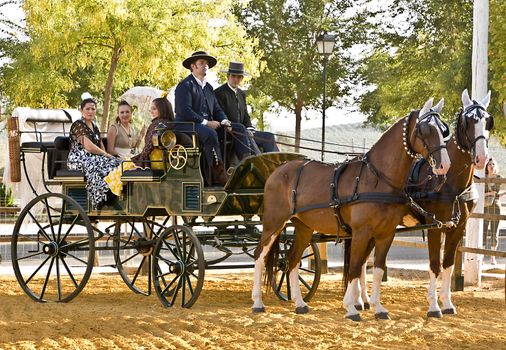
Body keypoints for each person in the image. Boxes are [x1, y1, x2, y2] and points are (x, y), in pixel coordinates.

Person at [174, 51, 252, 186]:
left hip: (204, 125)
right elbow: (184, 111)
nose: (205, 66)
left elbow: (216, 109)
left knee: (239, 128)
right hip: (187, 125)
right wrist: (206, 122)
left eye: (207, 63)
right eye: (201, 63)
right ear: (193, 66)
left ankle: (248, 165)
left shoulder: (209, 87)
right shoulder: (185, 86)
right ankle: (218, 175)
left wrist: (224, 121)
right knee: (210, 134)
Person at [67, 93, 121, 209]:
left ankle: (112, 194)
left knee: (116, 163)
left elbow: (100, 143)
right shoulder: (78, 125)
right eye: (87, 109)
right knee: (99, 164)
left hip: (93, 156)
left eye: (93, 109)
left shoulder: (94, 125)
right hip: (79, 158)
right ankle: (99, 197)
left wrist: (106, 155)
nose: (90, 111)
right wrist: (104, 154)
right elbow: (89, 147)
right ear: (81, 110)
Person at [215, 61, 279, 154]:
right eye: (233, 76)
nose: (236, 79)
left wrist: (249, 127)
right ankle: (255, 159)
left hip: (244, 130)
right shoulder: (219, 92)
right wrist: (239, 128)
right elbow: (219, 113)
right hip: (228, 130)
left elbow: (245, 115)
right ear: (228, 76)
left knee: (269, 137)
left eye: (239, 77)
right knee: (243, 130)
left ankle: (277, 163)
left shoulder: (241, 94)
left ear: (242, 78)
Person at [131, 97, 174, 168]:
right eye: (151, 109)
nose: (151, 111)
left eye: (154, 109)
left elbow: (151, 142)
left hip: (156, 160)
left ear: (162, 109)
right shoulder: (170, 123)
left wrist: (141, 158)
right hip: (168, 161)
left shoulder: (160, 124)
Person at [483, 157, 502, 265]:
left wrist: (499, 195)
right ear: (486, 166)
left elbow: (499, 193)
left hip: (496, 207)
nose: (491, 166)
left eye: (493, 164)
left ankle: (492, 258)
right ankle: (481, 258)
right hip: (485, 207)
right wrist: (489, 194)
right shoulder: (483, 178)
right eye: (489, 164)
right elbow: (479, 192)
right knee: (484, 232)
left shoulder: (499, 178)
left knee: (494, 232)